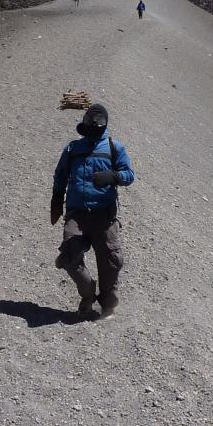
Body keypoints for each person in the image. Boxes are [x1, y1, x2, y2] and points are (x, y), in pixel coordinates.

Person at [51, 104, 135, 319]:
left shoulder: (114, 148)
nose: (94, 127)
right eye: (91, 123)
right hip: (77, 215)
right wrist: (56, 201)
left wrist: (113, 176)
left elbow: (129, 174)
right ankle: (88, 293)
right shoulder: (72, 149)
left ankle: (107, 305)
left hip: (104, 216)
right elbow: (60, 176)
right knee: (69, 257)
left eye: (97, 124)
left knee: (111, 261)